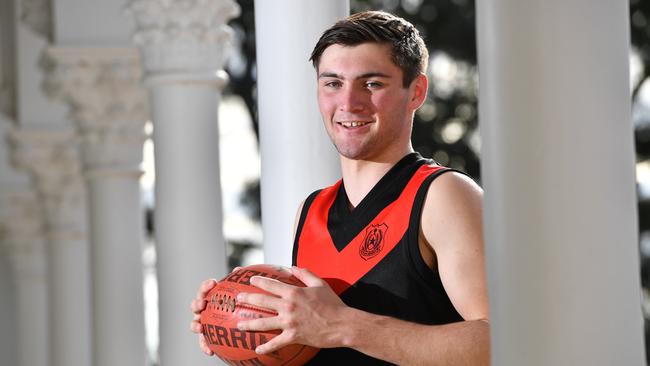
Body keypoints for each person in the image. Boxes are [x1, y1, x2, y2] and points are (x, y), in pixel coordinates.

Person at [190, 10, 489, 365]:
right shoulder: (312, 211)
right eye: (333, 83)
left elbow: (504, 341)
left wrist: (344, 325)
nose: (349, 103)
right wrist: (242, 324)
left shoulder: (443, 195)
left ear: (416, 91)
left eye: (372, 83)